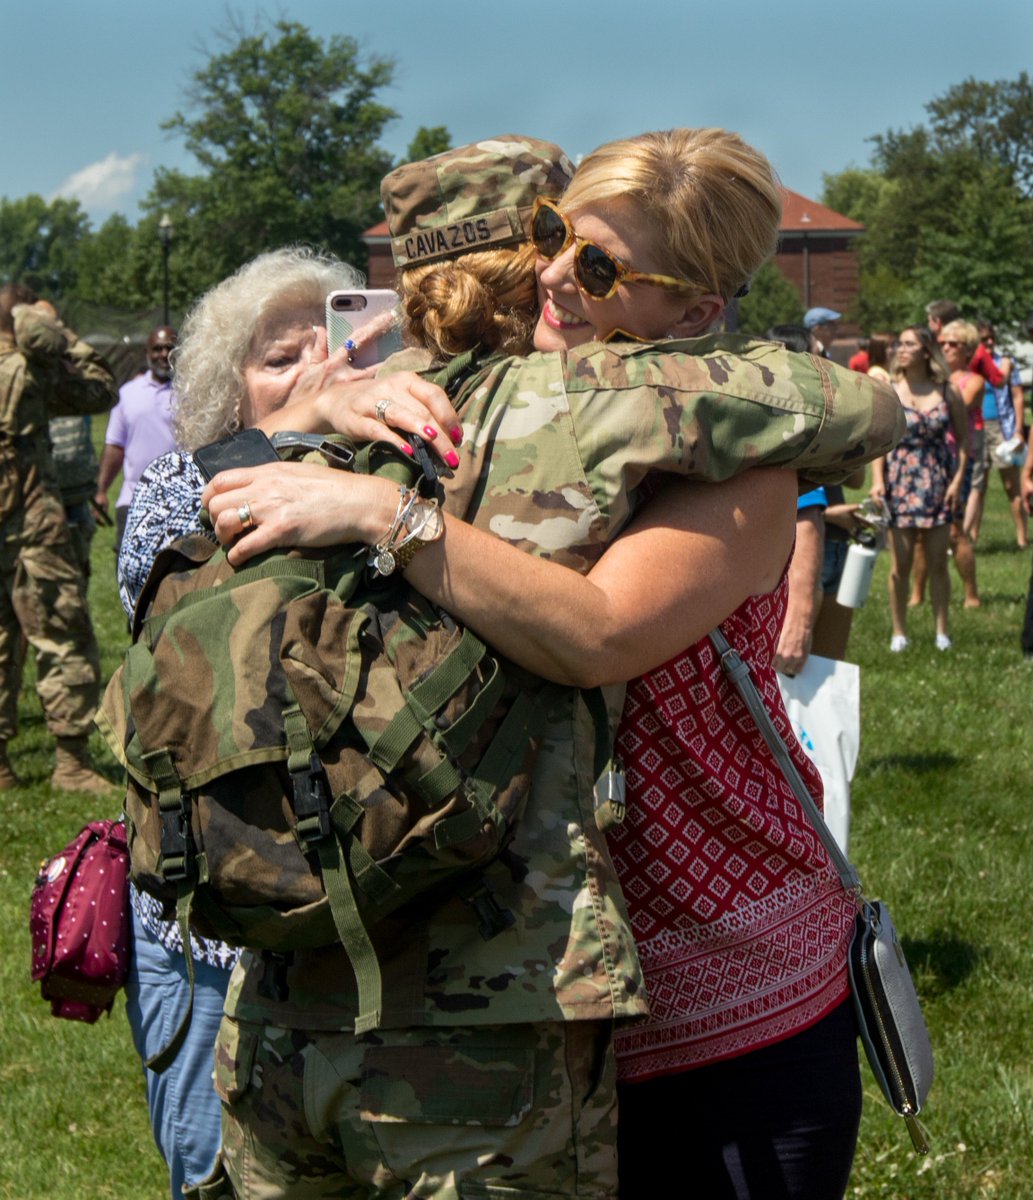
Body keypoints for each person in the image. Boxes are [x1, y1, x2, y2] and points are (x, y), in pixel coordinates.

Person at [195, 132, 901, 1199]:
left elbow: (598, 634)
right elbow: (178, 520)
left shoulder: (743, 464)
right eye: (548, 236)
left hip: (721, 992)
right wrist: (312, 413)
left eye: (603, 269)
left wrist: (390, 513)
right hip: (523, 995)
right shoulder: (471, 409)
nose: (553, 276)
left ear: (696, 313)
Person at [118, 248, 463, 1200]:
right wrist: (309, 424)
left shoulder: (418, 489)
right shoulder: (175, 489)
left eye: (338, 346)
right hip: (218, 928)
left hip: (391, 924)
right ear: (226, 398)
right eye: (279, 359)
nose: (318, 371)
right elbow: (158, 581)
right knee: (217, 1178)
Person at [0, 284, 116, 793]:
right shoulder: (30, 372)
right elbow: (100, 387)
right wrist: (59, 331)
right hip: (31, 522)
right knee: (61, 629)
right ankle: (71, 762)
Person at [871, 326, 968, 652]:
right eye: (899, 343)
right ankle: (899, 632)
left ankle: (943, 631)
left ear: (926, 351)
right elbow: (880, 443)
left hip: (938, 483)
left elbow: (966, 443)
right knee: (900, 566)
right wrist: (877, 481)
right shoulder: (891, 388)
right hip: (901, 483)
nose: (901, 348)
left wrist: (957, 480)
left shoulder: (946, 389)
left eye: (909, 344)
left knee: (939, 562)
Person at [95, 327, 179, 561]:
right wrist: (101, 490)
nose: (163, 354)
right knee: (131, 579)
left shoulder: (192, 392)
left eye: (169, 348)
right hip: (132, 502)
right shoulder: (128, 394)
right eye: (157, 348)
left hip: (179, 504)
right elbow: (115, 446)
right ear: (147, 353)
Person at [967, 321, 1027, 548]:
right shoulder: (973, 364)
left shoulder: (1005, 363)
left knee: (1012, 487)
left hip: (1003, 429)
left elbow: (1018, 396)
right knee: (978, 487)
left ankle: (1022, 539)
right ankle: (972, 538)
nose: (989, 342)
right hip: (977, 429)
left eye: (992, 337)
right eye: (984, 339)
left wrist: (1018, 431)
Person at [939, 319, 984, 608]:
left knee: (955, 532)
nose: (945, 348)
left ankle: (971, 594)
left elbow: (956, 408)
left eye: (952, 344)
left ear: (967, 350)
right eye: (942, 342)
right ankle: (917, 594)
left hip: (958, 461)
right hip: (932, 458)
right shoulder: (935, 381)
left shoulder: (975, 381)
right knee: (920, 533)